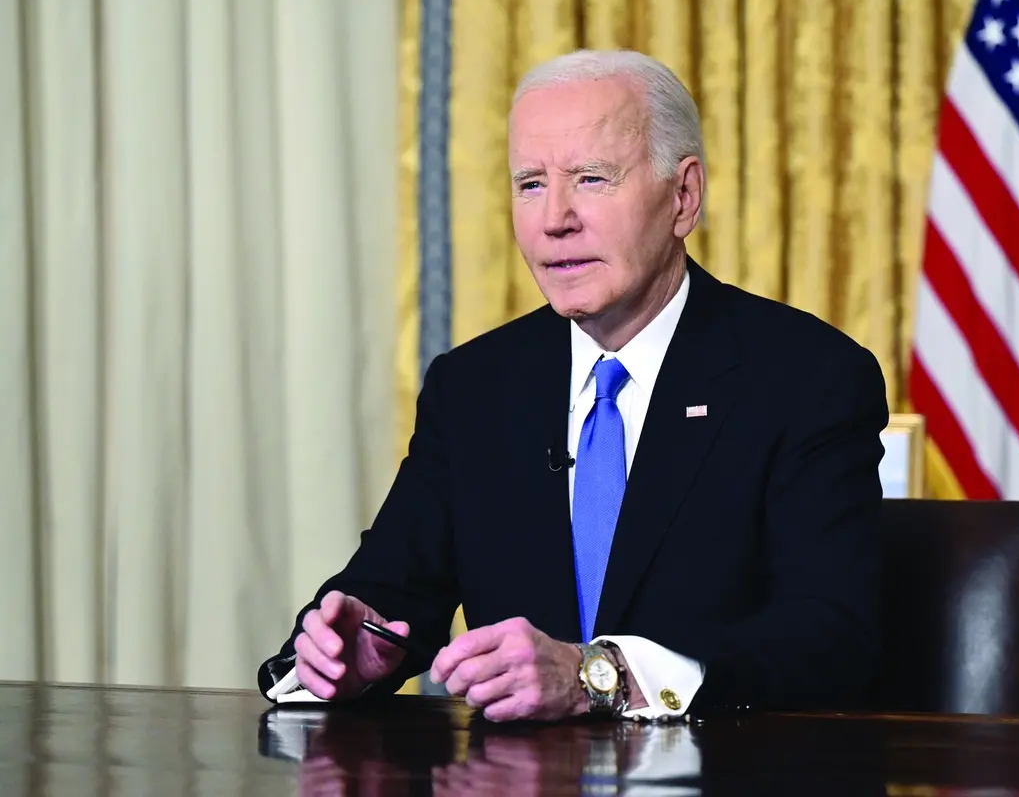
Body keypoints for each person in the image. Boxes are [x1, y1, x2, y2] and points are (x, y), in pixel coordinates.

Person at [258, 48, 889, 723]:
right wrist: (346, 651)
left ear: (684, 196)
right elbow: (389, 591)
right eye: (530, 184)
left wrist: (601, 675)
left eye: (591, 179)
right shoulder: (474, 388)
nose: (555, 218)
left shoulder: (807, 377)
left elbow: (831, 635)